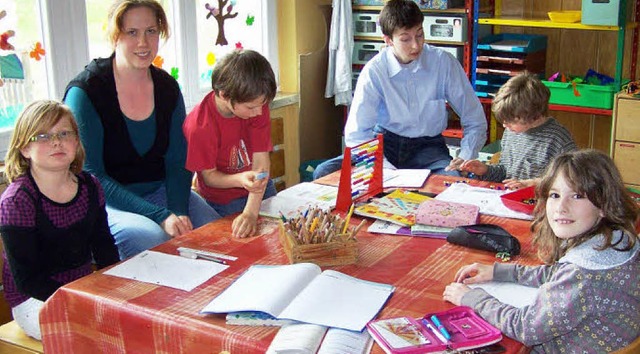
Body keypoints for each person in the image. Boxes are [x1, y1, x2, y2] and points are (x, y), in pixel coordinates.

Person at [64, 0, 219, 259]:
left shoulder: (168, 88)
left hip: (160, 192)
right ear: (115, 36)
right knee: (152, 239)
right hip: (108, 202)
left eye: (151, 31)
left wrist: (179, 210)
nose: (143, 43)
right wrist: (160, 216)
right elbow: (91, 175)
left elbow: (178, 160)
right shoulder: (86, 92)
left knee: (215, 233)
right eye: (132, 32)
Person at [443, 149, 640, 352]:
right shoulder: (617, 241)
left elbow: (526, 327)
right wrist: (499, 271)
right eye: (554, 195)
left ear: (603, 205)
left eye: (577, 196)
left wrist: (472, 298)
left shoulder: (582, 274)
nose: (561, 207)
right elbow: (557, 274)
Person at [313, 0, 487, 179]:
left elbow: (475, 120)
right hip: (383, 144)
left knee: (450, 182)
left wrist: (465, 157)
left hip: (428, 149)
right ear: (388, 40)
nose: (415, 45)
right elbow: (357, 134)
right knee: (325, 172)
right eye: (405, 39)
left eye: (419, 35)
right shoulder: (375, 71)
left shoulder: (443, 62)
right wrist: (385, 170)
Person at [0, 100, 120, 340]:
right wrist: (80, 300)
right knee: (88, 335)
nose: (56, 142)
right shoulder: (17, 201)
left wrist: (113, 289)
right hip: (34, 299)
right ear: (24, 149)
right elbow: (27, 280)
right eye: (42, 136)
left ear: (76, 141)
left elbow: (105, 247)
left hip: (83, 287)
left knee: (132, 320)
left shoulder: (90, 186)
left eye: (64, 134)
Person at [183, 49, 277, 238]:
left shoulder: (256, 100)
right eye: (251, 107)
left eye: (262, 104)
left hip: (260, 190)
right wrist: (239, 180)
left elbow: (261, 164)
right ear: (224, 95)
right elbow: (209, 177)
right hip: (224, 200)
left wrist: (251, 211)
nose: (259, 112)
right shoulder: (200, 126)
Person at [456, 72, 577, 189]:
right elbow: (505, 173)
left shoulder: (558, 139)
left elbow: (572, 180)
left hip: (541, 204)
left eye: (510, 121)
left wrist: (532, 183)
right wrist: (485, 170)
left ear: (533, 115)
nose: (504, 125)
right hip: (509, 199)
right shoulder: (511, 132)